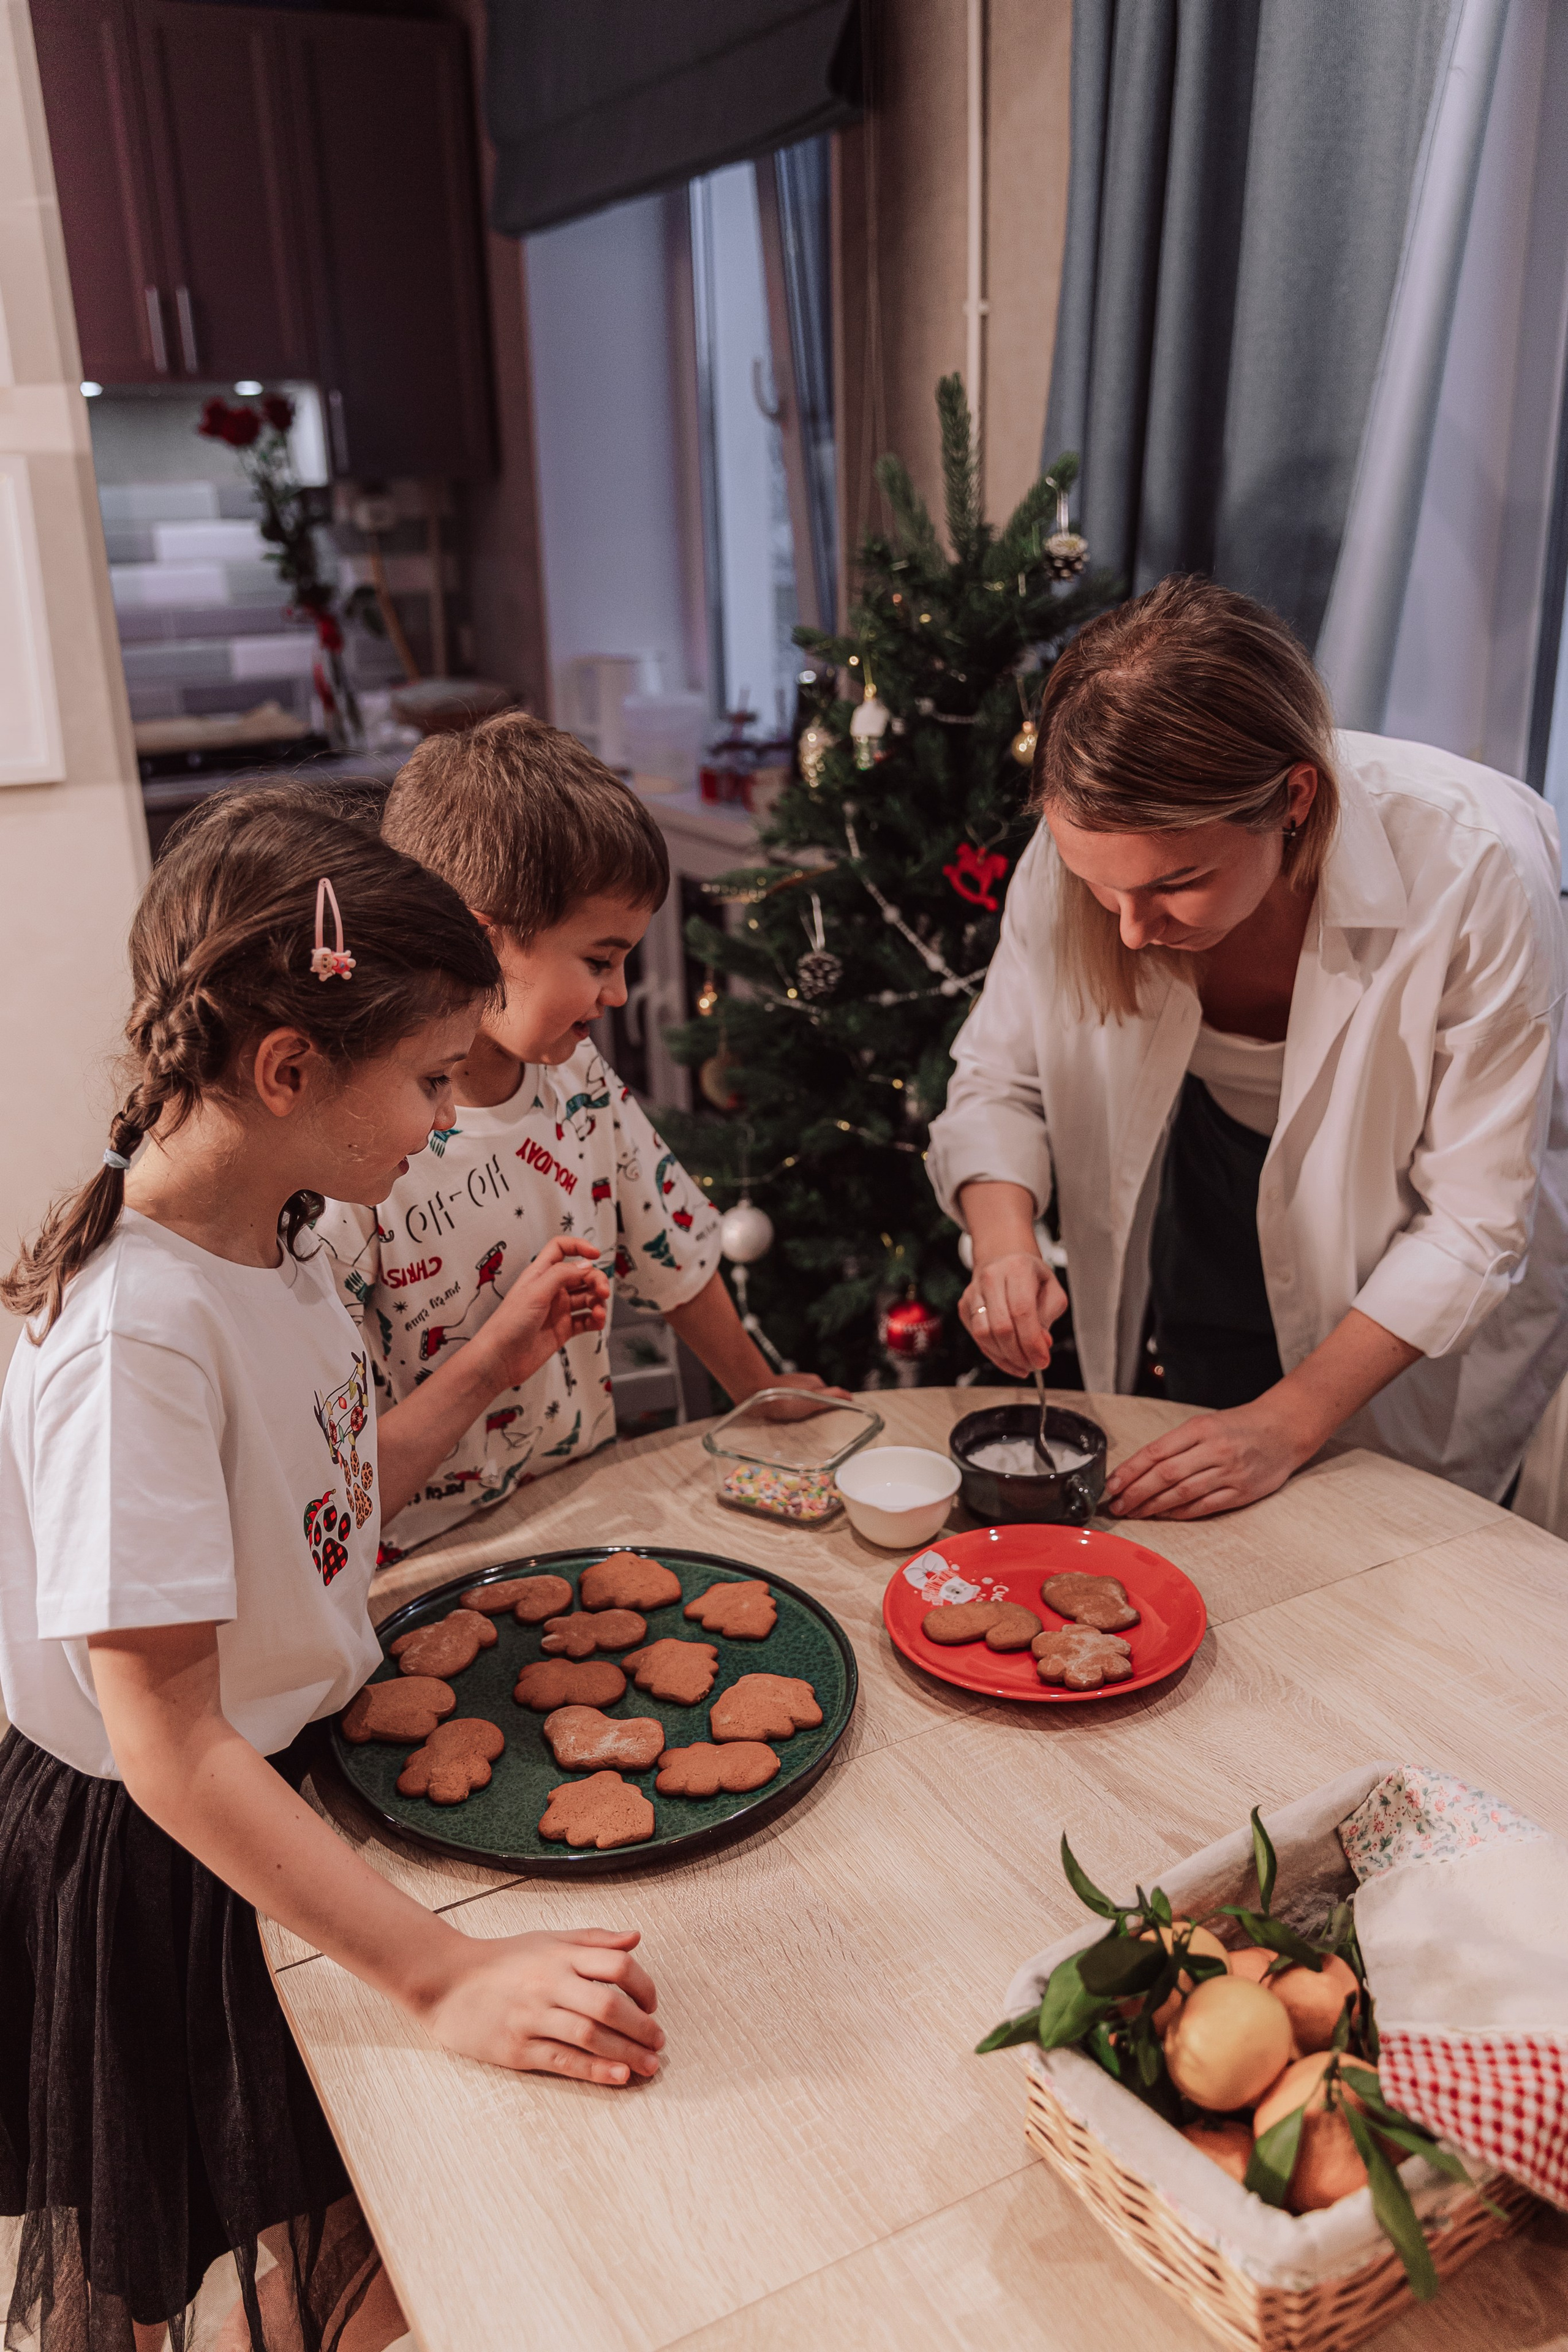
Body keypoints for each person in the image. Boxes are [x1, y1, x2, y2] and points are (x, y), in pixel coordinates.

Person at [0, 791, 665, 2352]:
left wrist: (495, 1356)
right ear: (289, 1069)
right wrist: (436, 1978)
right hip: (167, 1855)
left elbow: (329, 1503)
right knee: (210, 2246)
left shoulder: (280, 1238)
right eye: (432, 1078)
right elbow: (163, 1742)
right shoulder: (136, 1339)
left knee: (347, 2213)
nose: (452, 1117)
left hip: (282, 1776)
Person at [927, 576, 1568, 1519]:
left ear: (1294, 800)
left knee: (1379, 1560)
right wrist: (1003, 1242)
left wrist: (1289, 1420)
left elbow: (1471, 1220)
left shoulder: (1477, 865)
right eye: (1105, 892)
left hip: (1404, 1286)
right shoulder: (1093, 853)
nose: (1133, 932)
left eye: (1177, 884)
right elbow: (997, 1082)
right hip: (1203, 1180)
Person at [312, 712, 839, 1559]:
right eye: (600, 960)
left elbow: (677, 1253)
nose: (621, 993)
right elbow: (329, 1475)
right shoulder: (362, 1151)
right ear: (483, 942)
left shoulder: (579, 1083)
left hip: (587, 1514)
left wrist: (758, 1390)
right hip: (425, 1555)